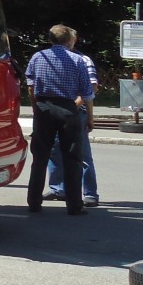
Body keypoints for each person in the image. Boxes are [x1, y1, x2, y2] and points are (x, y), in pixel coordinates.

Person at [25, 24, 94, 215]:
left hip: (44, 107)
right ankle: (74, 205)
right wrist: (90, 117)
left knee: (40, 157)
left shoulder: (38, 57)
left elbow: (30, 86)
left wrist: (36, 108)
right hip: (68, 108)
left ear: (51, 39)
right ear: (69, 40)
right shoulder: (77, 60)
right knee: (73, 157)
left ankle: (34, 202)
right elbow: (87, 92)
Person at [45, 43, 100, 206]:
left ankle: (90, 193)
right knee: (54, 151)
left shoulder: (82, 59)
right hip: (55, 110)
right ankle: (58, 189)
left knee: (81, 154)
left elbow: (92, 87)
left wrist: (80, 108)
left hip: (76, 112)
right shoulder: (48, 59)